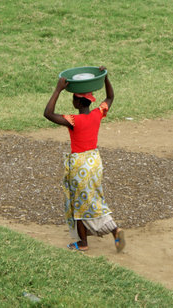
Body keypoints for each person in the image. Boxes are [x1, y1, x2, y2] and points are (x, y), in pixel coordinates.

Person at [43, 67, 125, 253]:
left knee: (78, 204)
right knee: (94, 198)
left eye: (73, 98)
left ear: (77, 102)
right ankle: (111, 231)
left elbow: (48, 113)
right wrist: (105, 78)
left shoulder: (73, 120)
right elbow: (110, 97)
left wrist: (57, 89)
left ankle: (86, 241)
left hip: (80, 164)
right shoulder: (97, 114)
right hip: (95, 162)